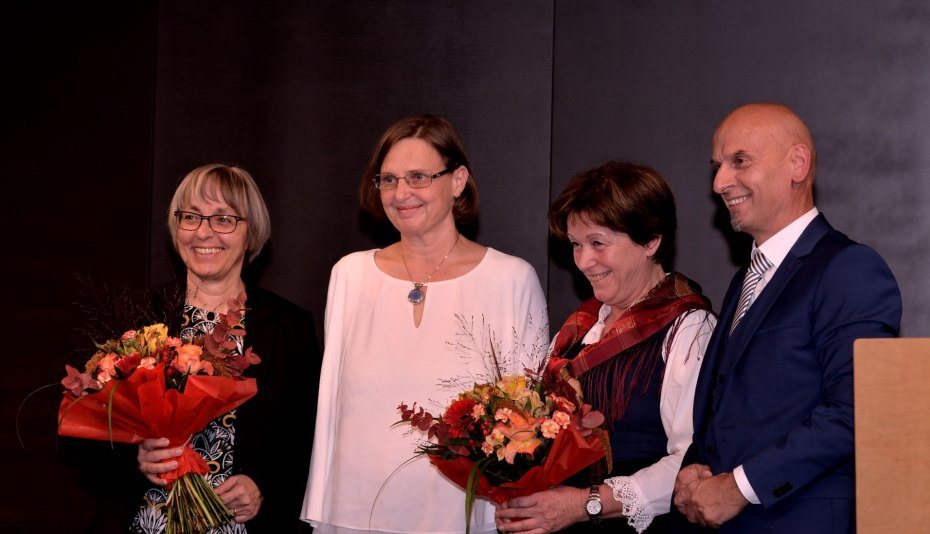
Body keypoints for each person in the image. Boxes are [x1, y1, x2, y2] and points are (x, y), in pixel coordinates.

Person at [301, 115, 549, 534]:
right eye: (389, 179)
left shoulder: (511, 279)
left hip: (465, 515)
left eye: (418, 177)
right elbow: (331, 411)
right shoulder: (349, 275)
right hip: (355, 514)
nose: (401, 194)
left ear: (458, 181)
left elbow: (529, 421)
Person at [672, 103, 902, 533]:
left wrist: (738, 488)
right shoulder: (746, 278)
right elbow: (730, 407)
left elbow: (860, 411)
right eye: (717, 166)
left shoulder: (849, 269)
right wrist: (694, 467)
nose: (720, 182)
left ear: (798, 163)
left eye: (739, 161)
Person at [496, 161, 716, 533]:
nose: (584, 261)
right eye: (576, 245)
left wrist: (585, 504)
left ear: (651, 241)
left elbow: (691, 464)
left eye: (598, 243)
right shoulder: (579, 328)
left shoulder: (689, 328)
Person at [135, 164, 322, 533]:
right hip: (148, 522)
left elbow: (310, 442)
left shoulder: (289, 327)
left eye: (223, 219)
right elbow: (85, 442)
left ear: (251, 233)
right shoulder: (139, 316)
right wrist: (135, 458)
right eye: (191, 217)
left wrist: (263, 486)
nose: (204, 232)